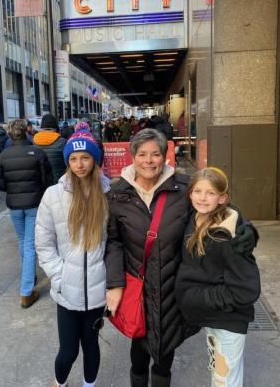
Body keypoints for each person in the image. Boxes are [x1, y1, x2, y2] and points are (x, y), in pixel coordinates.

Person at [105, 129, 257, 387]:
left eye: (155, 154)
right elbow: (114, 241)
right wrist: (115, 283)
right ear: (133, 157)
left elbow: (217, 206)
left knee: (166, 348)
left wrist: (246, 228)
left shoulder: (183, 186)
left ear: (166, 156)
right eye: (142, 154)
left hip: (172, 286)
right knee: (139, 347)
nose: (149, 160)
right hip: (138, 286)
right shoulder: (118, 194)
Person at [35, 129, 109, 387]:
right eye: (74, 158)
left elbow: (115, 242)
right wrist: (59, 276)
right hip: (66, 291)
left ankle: (90, 385)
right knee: (68, 351)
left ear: (95, 160)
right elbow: (44, 243)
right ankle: (60, 383)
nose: (80, 164)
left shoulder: (108, 194)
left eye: (85, 158)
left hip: (98, 293)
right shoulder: (53, 195)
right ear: (67, 161)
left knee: (92, 347)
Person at [175, 167, 260, 387]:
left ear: (223, 198)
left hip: (228, 320)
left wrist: (199, 298)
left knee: (225, 381)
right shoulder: (194, 219)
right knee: (218, 373)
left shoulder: (228, 236)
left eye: (211, 193)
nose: (203, 198)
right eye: (198, 191)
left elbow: (246, 289)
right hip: (212, 316)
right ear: (190, 193)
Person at [0, 119, 52, 308]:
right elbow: (47, 179)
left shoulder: (3, 155)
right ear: (26, 132)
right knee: (29, 244)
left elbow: (0, 183)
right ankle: (26, 291)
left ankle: (30, 277)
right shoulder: (36, 152)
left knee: (24, 242)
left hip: (14, 204)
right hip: (34, 202)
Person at [33, 114, 67, 184]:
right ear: (56, 127)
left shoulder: (34, 141)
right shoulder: (62, 142)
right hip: (58, 182)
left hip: (39, 183)